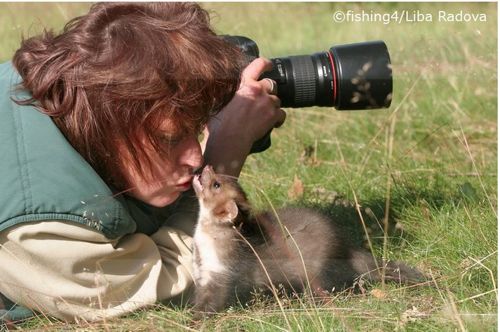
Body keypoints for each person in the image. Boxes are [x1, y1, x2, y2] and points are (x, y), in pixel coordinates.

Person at [0, 2, 285, 322]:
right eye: (169, 138)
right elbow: (166, 285)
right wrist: (227, 152)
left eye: (196, 130)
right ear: (106, 125)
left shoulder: (41, 83)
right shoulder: (39, 226)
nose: (195, 157)